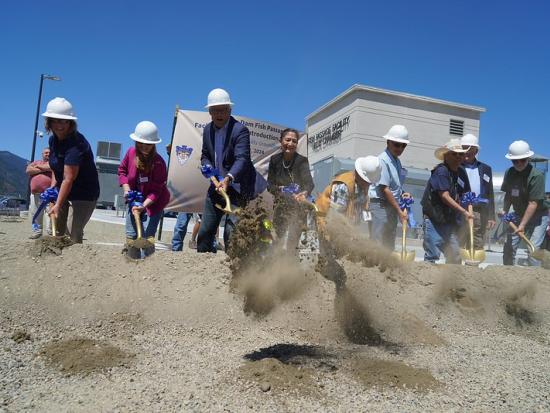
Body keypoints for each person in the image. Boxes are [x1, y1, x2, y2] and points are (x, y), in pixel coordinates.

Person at [197, 88, 256, 253]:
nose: (219, 114)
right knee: (205, 232)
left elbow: (242, 159)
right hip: (217, 187)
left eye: (223, 110)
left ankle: (233, 269)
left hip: (238, 187)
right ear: (209, 112)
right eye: (215, 110)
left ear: (230, 110)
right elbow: (205, 155)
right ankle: (202, 271)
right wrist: (209, 170)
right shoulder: (208, 130)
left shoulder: (240, 130)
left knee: (231, 232)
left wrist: (228, 178)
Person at [315, 156, 382, 287]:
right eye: (367, 181)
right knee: (316, 261)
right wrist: (350, 237)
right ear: (359, 174)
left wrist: (368, 237)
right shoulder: (343, 186)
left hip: (341, 231)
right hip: (322, 223)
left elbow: (364, 212)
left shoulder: (363, 188)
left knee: (335, 262)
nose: (369, 184)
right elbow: (335, 218)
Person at [44, 97, 100, 243]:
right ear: (49, 122)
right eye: (55, 120)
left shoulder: (77, 144)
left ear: (70, 122)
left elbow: (68, 178)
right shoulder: (53, 141)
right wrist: (52, 192)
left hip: (84, 193)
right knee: (56, 229)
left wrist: (58, 204)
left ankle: (73, 261)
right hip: (63, 189)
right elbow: (57, 170)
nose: (59, 125)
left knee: (73, 233)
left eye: (63, 121)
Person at [118, 121, 170, 258]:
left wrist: (144, 206)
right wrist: (126, 188)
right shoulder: (131, 153)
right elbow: (122, 171)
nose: (144, 147)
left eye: (148, 144)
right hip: (134, 198)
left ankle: (148, 264)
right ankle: (132, 261)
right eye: (141, 143)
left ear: (154, 144)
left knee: (147, 235)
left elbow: (156, 191)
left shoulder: (159, 163)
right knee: (132, 234)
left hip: (154, 203)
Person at [421, 139, 473, 264]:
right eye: (454, 154)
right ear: (446, 156)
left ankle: (450, 280)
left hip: (449, 220)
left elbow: (467, 195)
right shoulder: (441, 171)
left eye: (461, 154)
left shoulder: (461, 172)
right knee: (432, 253)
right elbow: (444, 196)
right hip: (434, 218)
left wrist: (470, 213)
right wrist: (464, 212)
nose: (458, 157)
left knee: (455, 255)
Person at [501, 140, 549, 266]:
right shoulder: (509, 173)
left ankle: (534, 280)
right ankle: (506, 275)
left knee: (532, 249)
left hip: (538, 215)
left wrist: (522, 225)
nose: (519, 163)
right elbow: (508, 195)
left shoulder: (537, 176)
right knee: (509, 247)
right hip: (518, 213)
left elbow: (533, 203)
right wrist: (504, 211)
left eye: (522, 160)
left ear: (528, 158)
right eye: (515, 161)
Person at [267, 128, 314, 253]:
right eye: (287, 140)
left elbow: (309, 183)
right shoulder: (274, 160)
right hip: (280, 206)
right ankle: (275, 265)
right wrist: (279, 190)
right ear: (281, 141)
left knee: (293, 239)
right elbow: (270, 185)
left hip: (298, 206)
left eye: (294, 141)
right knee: (277, 237)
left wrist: (304, 192)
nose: (291, 144)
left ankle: (291, 265)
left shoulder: (302, 161)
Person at [369, 125, 411, 250]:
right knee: (378, 240)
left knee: (388, 240)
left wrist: (402, 193)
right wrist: (399, 211)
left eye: (403, 145)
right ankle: (373, 266)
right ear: (388, 142)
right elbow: (384, 189)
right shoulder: (383, 160)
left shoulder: (396, 161)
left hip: (390, 205)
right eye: (397, 144)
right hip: (380, 205)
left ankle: (386, 266)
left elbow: (393, 186)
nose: (400, 148)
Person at [459, 134, 496, 249]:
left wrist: (491, 216)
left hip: (479, 212)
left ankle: (472, 265)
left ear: (476, 150)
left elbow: (490, 193)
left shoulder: (486, 169)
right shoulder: (456, 166)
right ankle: (455, 266)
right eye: (464, 148)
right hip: (460, 210)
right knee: (459, 240)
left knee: (477, 241)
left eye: (470, 148)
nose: (467, 151)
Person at [26, 147, 52, 239]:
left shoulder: (54, 163)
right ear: (42, 154)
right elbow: (28, 170)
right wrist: (44, 169)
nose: (47, 154)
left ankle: (50, 232)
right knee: (36, 213)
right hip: (36, 193)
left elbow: (51, 167)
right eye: (45, 153)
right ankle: (37, 231)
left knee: (50, 213)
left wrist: (37, 169)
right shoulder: (36, 162)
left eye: (49, 153)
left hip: (50, 194)